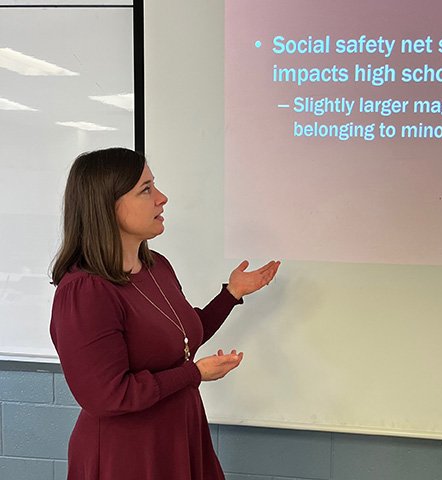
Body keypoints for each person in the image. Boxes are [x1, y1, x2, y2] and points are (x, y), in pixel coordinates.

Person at [50, 147, 280, 479]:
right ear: (107, 205)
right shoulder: (86, 292)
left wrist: (231, 294)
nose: (162, 198)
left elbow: (181, 338)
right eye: (146, 189)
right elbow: (108, 395)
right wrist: (194, 374)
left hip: (176, 434)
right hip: (127, 453)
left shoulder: (157, 267)